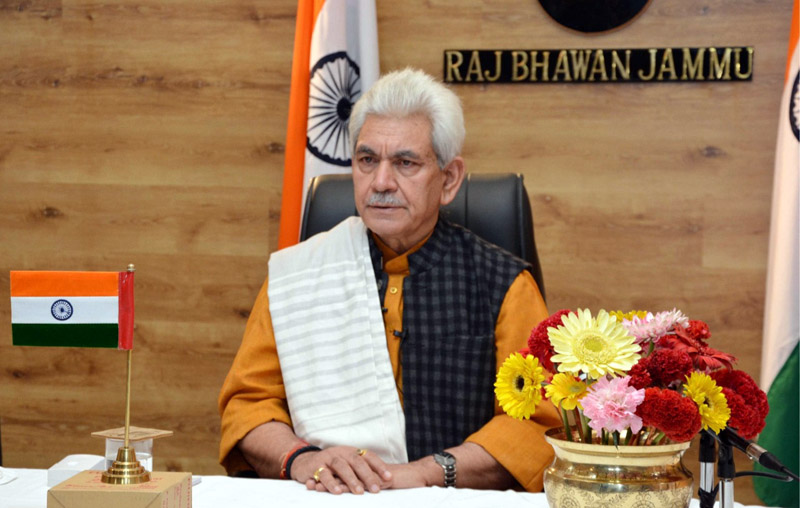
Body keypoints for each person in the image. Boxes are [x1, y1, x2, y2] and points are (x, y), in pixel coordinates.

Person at [218, 68, 560, 495]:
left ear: (449, 179)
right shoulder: (299, 275)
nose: (380, 182)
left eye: (405, 163)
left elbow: (537, 424)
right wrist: (302, 459)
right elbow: (248, 404)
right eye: (367, 161)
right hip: (327, 497)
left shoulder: (504, 284)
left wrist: (427, 473)